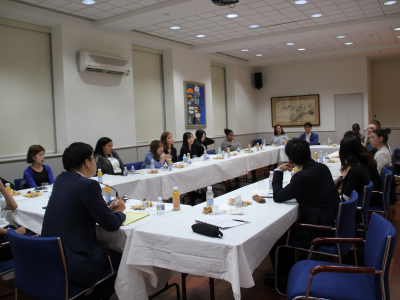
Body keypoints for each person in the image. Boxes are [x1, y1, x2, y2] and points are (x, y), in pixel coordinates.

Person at [41, 142, 126, 300]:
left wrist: (106, 211)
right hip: (74, 259)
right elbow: (111, 225)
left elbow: (79, 209)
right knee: (124, 256)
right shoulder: (88, 185)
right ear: (87, 162)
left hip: (51, 255)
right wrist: (120, 212)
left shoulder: (61, 179)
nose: (95, 162)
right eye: (93, 159)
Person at [268, 138, 340, 280]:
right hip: (331, 221)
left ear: (289, 159)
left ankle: (283, 277)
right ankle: (293, 264)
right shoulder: (322, 168)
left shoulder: (302, 176)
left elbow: (278, 196)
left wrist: (277, 170)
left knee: (276, 233)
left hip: (320, 229)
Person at [0, 181, 28, 262]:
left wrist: (2, 189)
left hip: (7, 232)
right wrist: (14, 232)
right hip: (3, 238)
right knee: (39, 244)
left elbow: (13, 206)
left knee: (34, 231)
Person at [339, 135, 371, 201]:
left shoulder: (355, 171)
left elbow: (346, 197)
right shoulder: (363, 163)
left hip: (350, 206)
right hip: (356, 202)